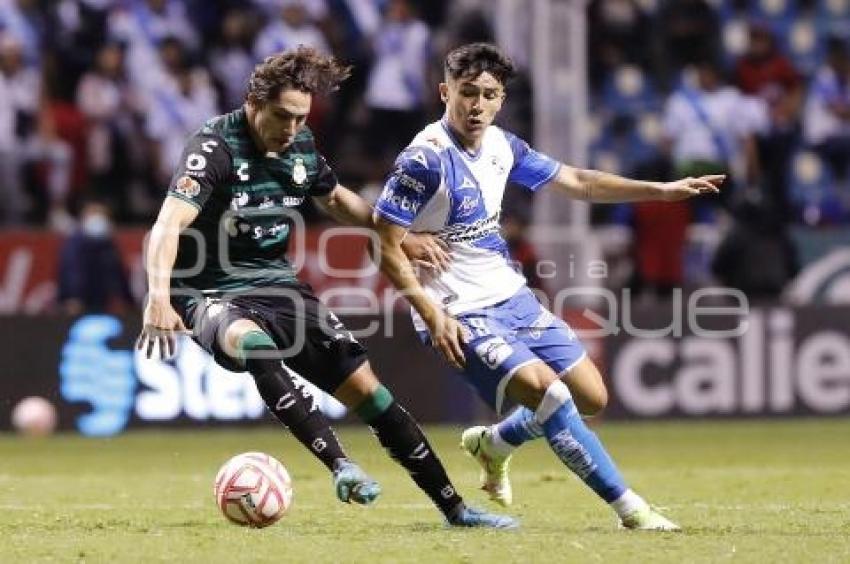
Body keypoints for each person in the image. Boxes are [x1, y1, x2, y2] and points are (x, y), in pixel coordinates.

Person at [135, 46, 515, 529]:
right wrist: (159, 295)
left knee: (370, 392)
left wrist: (404, 236)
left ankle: (456, 510)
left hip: (276, 283)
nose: (291, 128)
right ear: (253, 101)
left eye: (300, 118)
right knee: (254, 345)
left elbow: (334, 198)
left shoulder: (300, 145)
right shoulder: (213, 148)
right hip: (207, 289)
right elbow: (169, 224)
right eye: (281, 116)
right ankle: (342, 465)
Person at [373, 43, 724, 531]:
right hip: (458, 310)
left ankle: (494, 443)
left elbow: (579, 181)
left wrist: (660, 191)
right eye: (467, 93)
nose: (476, 105)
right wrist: (431, 313)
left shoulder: (503, 146)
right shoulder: (424, 160)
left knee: (591, 397)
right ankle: (631, 510)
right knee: (550, 394)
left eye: (489, 95)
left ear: (501, 99)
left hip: (511, 296)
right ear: (443, 92)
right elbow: (384, 246)